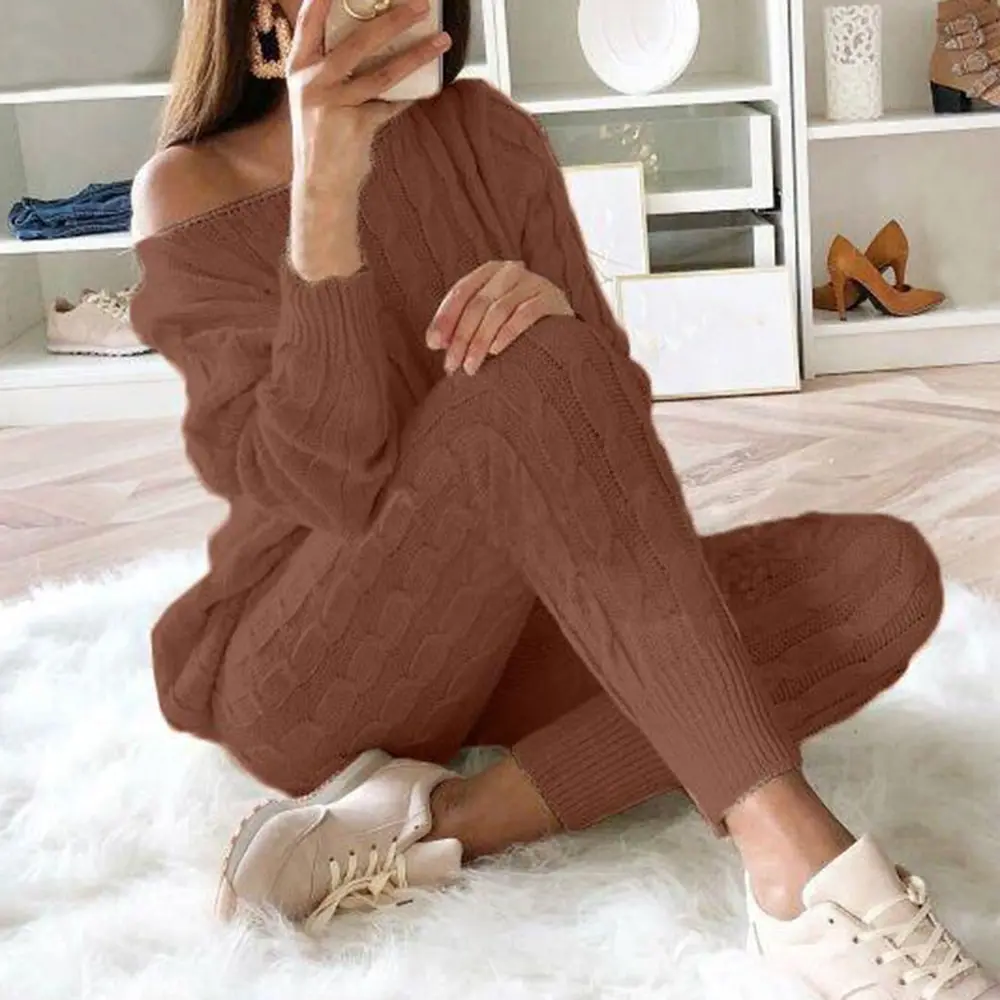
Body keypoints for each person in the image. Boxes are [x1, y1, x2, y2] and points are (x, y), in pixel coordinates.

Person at [129, 0, 996, 994]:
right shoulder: (189, 188)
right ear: (266, 15)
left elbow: (606, 416)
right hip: (319, 666)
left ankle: (445, 820)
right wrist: (326, 192)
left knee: (878, 577)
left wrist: (560, 326)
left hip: (515, 629)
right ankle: (795, 870)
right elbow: (320, 480)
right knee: (527, 372)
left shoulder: (486, 133)